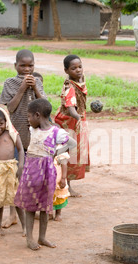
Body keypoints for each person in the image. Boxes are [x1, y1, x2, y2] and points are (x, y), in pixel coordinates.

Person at [14, 98, 76, 250]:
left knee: (44, 206)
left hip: (47, 173)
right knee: (30, 206)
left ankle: (42, 237)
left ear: (37, 115)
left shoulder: (56, 132)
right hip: (31, 172)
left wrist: (55, 152)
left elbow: (72, 143)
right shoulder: (32, 129)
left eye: (29, 117)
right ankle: (30, 239)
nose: (28, 121)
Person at [0, 49, 47, 227]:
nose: (27, 69)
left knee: (34, 177)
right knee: (15, 176)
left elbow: (45, 106)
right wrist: (21, 88)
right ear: (15, 66)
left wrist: (35, 87)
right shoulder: (10, 83)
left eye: (30, 65)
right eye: (23, 66)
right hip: (17, 136)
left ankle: (31, 208)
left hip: (36, 138)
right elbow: (10, 108)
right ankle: (12, 214)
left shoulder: (38, 82)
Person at [0, 106, 26, 236]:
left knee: (17, 200)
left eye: (0, 124)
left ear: (6, 122)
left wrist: (20, 166)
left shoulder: (11, 134)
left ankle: (25, 227)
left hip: (11, 169)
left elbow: (20, 149)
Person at [54, 54, 90, 197]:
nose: (78, 70)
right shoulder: (69, 87)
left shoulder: (79, 81)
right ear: (66, 70)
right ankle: (65, 186)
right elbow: (70, 108)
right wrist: (78, 117)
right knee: (67, 154)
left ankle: (66, 185)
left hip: (76, 121)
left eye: (80, 67)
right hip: (69, 122)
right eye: (74, 68)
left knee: (73, 153)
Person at [50, 152, 70, 221]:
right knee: (48, 197)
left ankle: (58, 213)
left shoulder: (61, 153)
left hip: (58, 181)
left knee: (59, 196)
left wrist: (63, 178)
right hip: (49, 181)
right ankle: (49, 213)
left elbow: (64, 165)